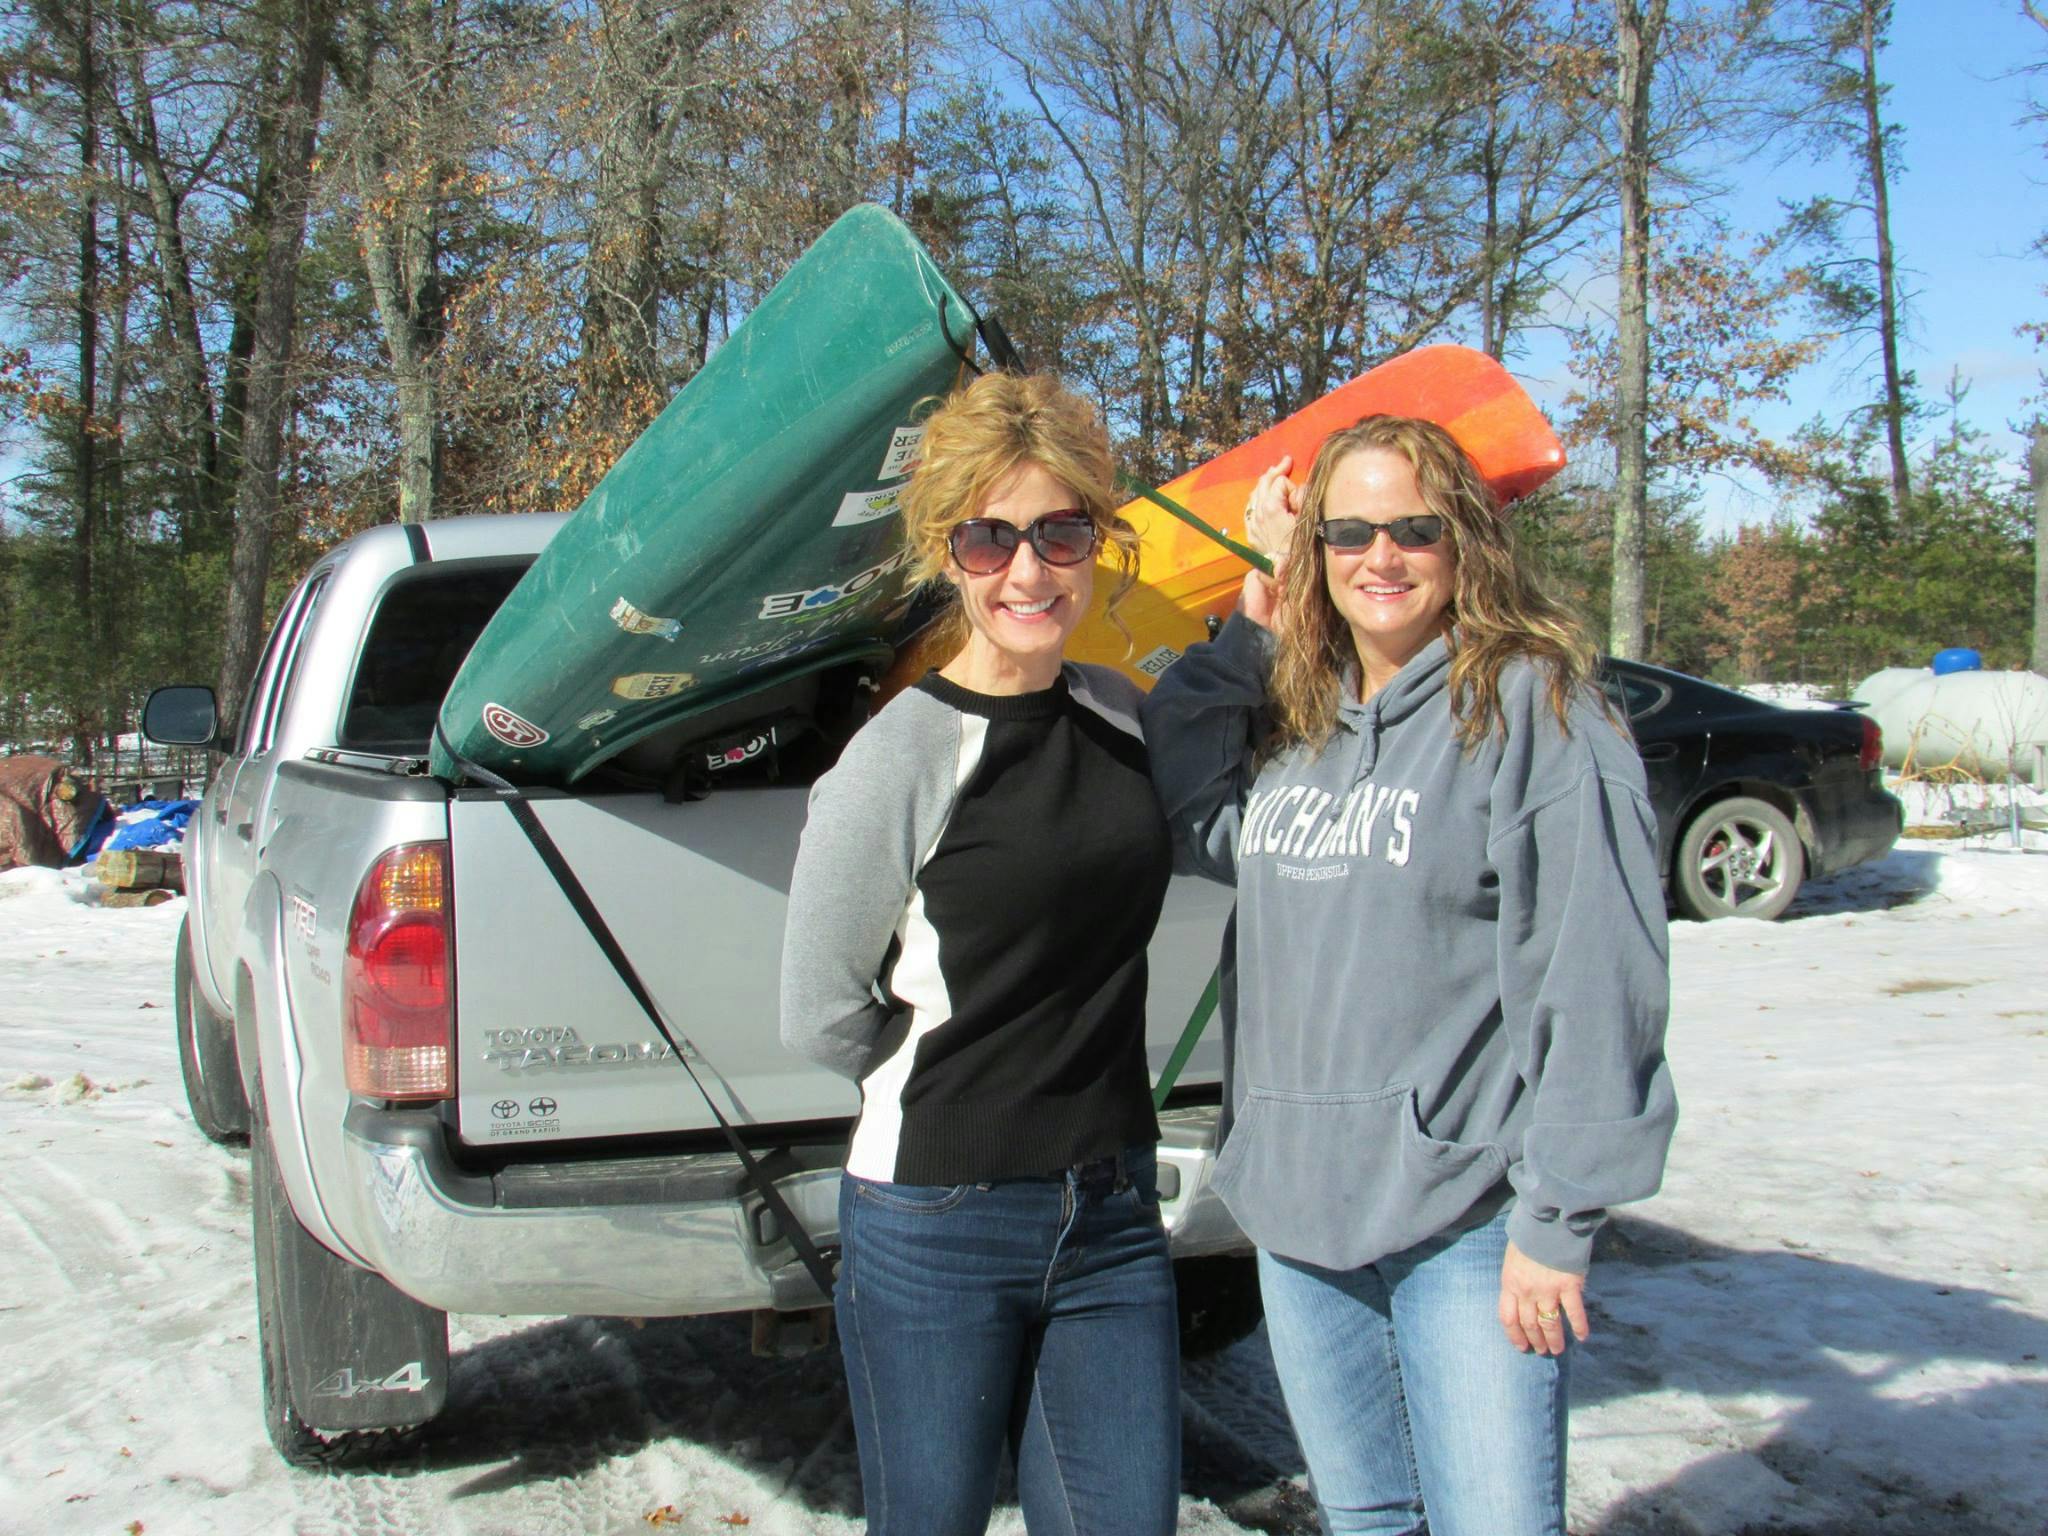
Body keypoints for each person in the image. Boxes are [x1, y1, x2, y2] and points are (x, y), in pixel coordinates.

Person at [1141, 414, 1678, 1536]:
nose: (1379, 557)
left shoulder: (1532, 707)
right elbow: (1180, 778)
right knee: (1368, 1522)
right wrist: (1259, 612)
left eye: (1411, 529)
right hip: (1297, 1224)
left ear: (1464, 541)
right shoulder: (1295, 721)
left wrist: (1557, 1222)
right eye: (1345, 532)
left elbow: (1593, 972)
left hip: (1466, 1225)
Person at [780, 371, 1181, 1536]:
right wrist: (952, 1093)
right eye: (989, 537)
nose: (1026, 571)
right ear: (944, 552)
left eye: (1058, 532)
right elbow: (816, 1008)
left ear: (1094, 544)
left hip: (1109, 1216)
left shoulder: (1124, 718)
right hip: (935, 1222)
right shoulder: (898, 757)